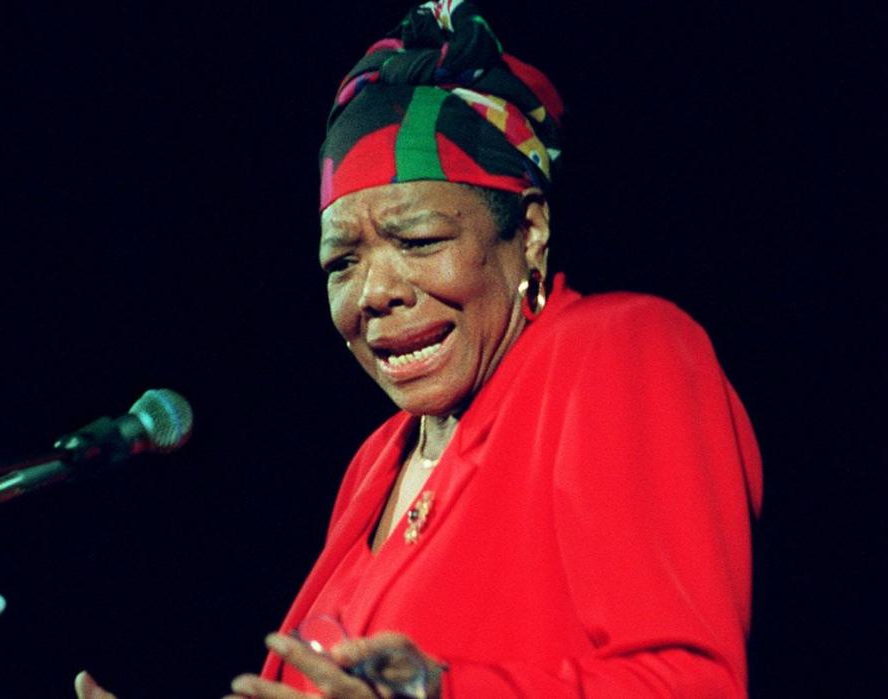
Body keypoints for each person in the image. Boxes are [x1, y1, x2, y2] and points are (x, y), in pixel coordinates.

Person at [77, 1, 761, 697]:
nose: (373, 292)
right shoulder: (376, 462)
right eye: (341, 261)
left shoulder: (618, 352)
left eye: (417, 241)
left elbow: (691, 684)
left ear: (528, 231)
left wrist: (441, 692)